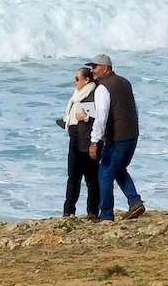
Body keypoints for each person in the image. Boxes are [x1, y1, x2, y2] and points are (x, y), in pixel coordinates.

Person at [87, 53, 146, 221]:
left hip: (117, 138)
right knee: (118, 169)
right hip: (132, 135)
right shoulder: (125, 82)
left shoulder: (103, 88)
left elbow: (101, 116)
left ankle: (106, 213)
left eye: (95, 67)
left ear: (106, 68)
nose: (93, 71)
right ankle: (135, 201)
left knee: (105, 173)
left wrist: (94, 141)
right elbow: (134, 108)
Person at [57, 65, 100, 218]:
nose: (75, 82)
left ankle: (93, 212)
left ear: (87, 79)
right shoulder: (77, 94)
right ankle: (68, 211)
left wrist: (87, 118)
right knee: (73, 177)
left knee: (91, 178)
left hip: (89, 140)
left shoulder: (95, 93)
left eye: (77, 79)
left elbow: (101, 117)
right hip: (75, 138)